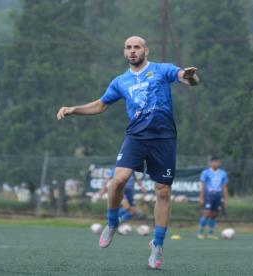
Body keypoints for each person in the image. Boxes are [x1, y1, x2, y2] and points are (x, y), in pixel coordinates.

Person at [57, 35, 199, 269]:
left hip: (164, 138)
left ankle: (158, 244)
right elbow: (101, 105)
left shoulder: (162, 69)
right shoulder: (120, 81)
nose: (133, 51)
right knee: (118, 180)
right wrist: (74, 109)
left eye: (137, 47)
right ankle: (112, 222)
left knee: (162, 191)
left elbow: (186, 78)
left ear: (146, 50)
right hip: (136, 137)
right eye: (129, 48)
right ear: (125, 53)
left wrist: (191, 76)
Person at [197, 156, 229, 240]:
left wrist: (226, 199)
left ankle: (210, 233)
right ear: (210, 163)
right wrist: (201, 197)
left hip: (218, 195)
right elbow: (202, 185)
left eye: (217, 162)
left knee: (214, 214)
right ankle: (200, 232)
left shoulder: (223, 173)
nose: (216, 163)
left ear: (220, 163)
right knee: (206, 213)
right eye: (214, 162)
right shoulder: (206, 172)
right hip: (209, 195)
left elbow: (224, 187)